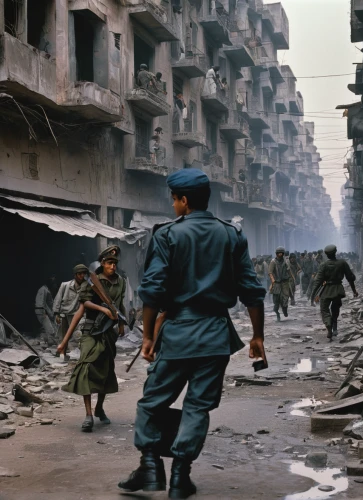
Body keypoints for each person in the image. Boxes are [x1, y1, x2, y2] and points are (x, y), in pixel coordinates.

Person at [118, 168, 266, 499]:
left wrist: (146, 336)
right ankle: (181, 477)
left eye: (173, 201)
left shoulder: (167, 235)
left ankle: (151, 467)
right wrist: (258, 336)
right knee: (197, 407)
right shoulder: (232, 234)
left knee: (151, 403)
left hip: (178, 333)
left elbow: (152, 290)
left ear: (184, 201)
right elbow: (252, 291)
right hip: (215, 335)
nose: (172, 207)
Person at [62, 246, 126, 432]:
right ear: (102, 263)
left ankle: (99, 407)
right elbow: (85, 303)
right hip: (91, 330)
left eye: (114, 263)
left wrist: (121, 323)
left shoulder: (120, 281)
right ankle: (88, 415)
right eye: (109, 263)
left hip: (108, 332)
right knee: (86, 368)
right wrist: (103, 309)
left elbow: (119, 302)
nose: (112, 266)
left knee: (105, 370)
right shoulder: (92, 281)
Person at [311, 244, 358, 340]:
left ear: (326, 255)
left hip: (326, 289)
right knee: (335, 308)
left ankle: (329, 326)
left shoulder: (323, 265)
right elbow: (350, 278)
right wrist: (354, 291)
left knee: (324, 309)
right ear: (335, 252)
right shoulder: (342, 263)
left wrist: (313, 295)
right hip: (338, 289)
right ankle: (334, 327)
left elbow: (318, 281)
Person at [53, 264, 89, 358]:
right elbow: (58, 299)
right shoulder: (65, 285)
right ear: (75, 275)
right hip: (64, 314)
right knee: (63, 336)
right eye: (80, 274)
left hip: (78, 314)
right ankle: (62, 354)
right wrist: (57, 313)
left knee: (79, 335)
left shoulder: (88, 286)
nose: (82, 276)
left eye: (84, 274)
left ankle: (83, 356)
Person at [268, 247, 291, 321]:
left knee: (285, 298)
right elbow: (270, 272)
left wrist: (291, 278)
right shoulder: (273, 262)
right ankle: (277, 314)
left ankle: (285, 309)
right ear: (276, 254)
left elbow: (288, 270)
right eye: (278, 253)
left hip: (284, 282)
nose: (280, 254)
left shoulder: (286, 261)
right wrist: (273, 280)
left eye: (281, 253)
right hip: (277, 283)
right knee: (276, 300)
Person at [35, 277, 57, 346]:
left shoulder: (46, 289)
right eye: (51, 281)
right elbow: (41, 302)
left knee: (51, 327)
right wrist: (45, 312)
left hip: (45, 311)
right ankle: (50, 342)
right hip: (42, 311)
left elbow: (47, 303)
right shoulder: (43, 289)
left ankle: (47, 341)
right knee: (50, 329)